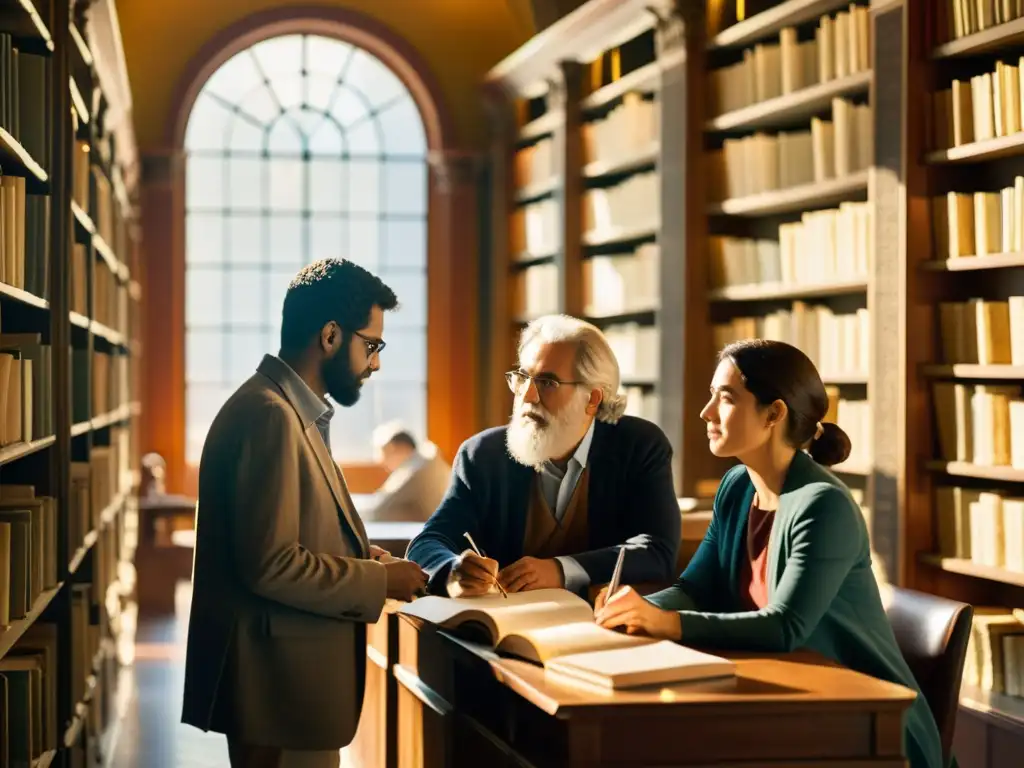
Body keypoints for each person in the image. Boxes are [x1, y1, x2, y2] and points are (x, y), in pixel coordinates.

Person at [592, 339, 943, 768]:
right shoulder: (737, 485)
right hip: (783, 694)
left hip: (868, 720)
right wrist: (637, 609)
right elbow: (694, 587)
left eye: (725, 398)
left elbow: (785, 627)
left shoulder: (822, 505)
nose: (706, 413)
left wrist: (664, 623)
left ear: (774, 414)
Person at [181, 258, 428, 768]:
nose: (376, 363)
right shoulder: (270, 417)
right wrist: (377, 583)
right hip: (276, 689)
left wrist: (364, 558)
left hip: (287, 684)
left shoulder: (290, 410)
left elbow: (289, 534)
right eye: (372, 345)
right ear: (332, 336)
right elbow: (270, 563)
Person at [406, 314, 680, 598]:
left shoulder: (639, 446)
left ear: (592, 398)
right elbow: (428, 542)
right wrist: (454, 570)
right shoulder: (482, 455)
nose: (527, 396)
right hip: (505, 627)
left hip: (601, 626)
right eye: (523, 377)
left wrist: (561, 570)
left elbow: (657, 551)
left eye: (547, 382)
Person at [359, 421, 451, 522]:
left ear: (398, 448)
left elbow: (378, 509)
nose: (385, 465)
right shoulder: (423, 461)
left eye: (385, 455)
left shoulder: (416, 469)